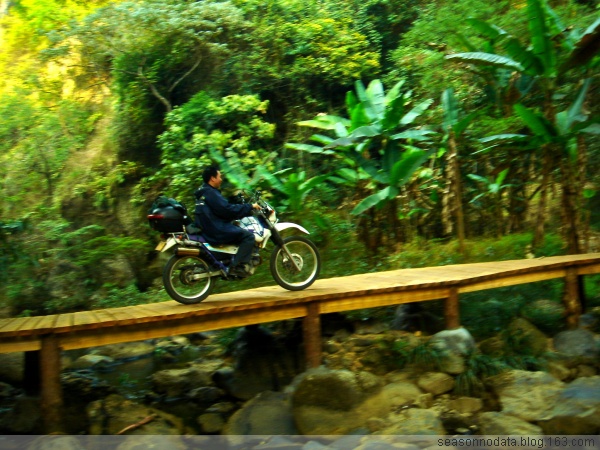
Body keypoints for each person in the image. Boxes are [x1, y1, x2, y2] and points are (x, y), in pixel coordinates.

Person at [194, 165, 260, 277]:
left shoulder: (203, 192)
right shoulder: (211, 193)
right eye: (219, 176)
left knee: (237, 228)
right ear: (212, 178)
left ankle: (229, 260)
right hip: (217, 230)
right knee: (248, 237)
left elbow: (220, 210)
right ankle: (236, 267)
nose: (221, 179)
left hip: (209, 228)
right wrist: (249, 207)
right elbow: (227, 210)